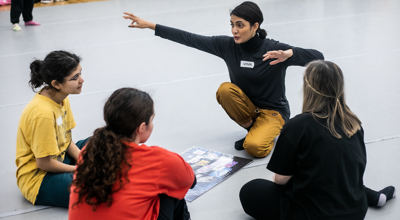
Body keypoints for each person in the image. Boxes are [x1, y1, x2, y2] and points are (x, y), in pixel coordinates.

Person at [122, 1, 324, 158]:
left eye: (240, 25)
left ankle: (262, 133)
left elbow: (318, 57)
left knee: (254, 148)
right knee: (225, 90)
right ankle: (253, 129)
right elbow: (189, 38)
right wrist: (150, 26)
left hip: (274, 112)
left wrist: (290, 54)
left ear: (255, 26)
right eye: (232, 24)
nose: (234, 30)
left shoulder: (273, 49)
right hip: (249, 109)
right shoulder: (227, 46)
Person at [239, 60, 396, 220]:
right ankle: (372, 196)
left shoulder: (298, 126)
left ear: (308, 88)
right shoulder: (353, 124)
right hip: (355, 212)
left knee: (250, 190)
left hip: (313, 214)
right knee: (336, 173)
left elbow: (280, 179)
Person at [69, 88, 196, 220]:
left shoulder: (90, 150)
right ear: (141, 127)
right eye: (151, 120)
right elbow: (191, 181)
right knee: (170, 191)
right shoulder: (158, 160)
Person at [16, 50, 89, 208]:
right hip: (40, 177)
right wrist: (81, 168)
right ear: (56, 84)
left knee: (105, 142)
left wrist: (84, 160)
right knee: (95, 185)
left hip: (61, 158)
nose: (82, 80)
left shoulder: (61, 97)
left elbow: (67, 140)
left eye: (80, 73)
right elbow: (44, 163)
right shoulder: (42, 113)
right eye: (75, 77)